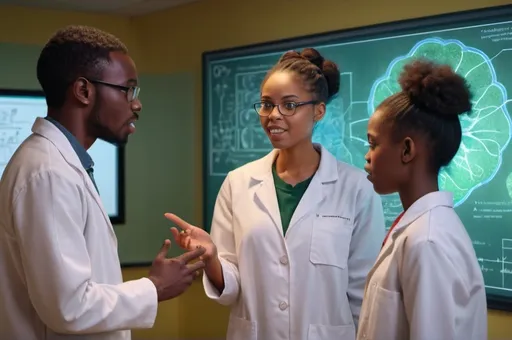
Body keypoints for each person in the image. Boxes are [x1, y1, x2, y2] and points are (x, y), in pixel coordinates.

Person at [0, 25, 206, 340]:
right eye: (128, 90)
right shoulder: (48, 173)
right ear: (83, 91)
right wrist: (155, 287)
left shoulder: (60, 164)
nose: (136, 105)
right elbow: (69, 308)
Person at [165, 48, 386, 340]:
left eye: (289, 105)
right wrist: (212, 259)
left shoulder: (357, 188)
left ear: (318, 111)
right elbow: (230, 290)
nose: (273, 116)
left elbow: (364, 293)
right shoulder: (237, 183)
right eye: (267, 105)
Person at [357, 59, 487, 340]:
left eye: (374, 143)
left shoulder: (427, 241)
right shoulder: (419, 228)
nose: (367, 156)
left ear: (406, 150)